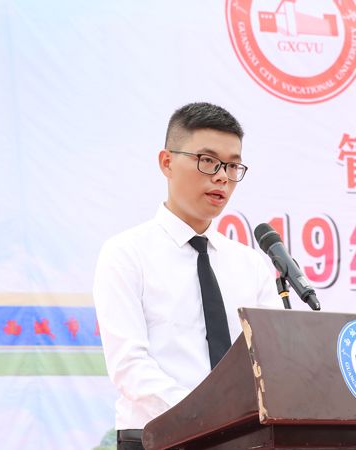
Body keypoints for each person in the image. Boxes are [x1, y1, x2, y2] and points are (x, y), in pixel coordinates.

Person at [93, 102, 282, 450]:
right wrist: (204, 415)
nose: (222, 177)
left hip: (242, 440)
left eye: (233, 165)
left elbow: (270, 363)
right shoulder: (126, 253)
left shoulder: (251, 265)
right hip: (157, 438)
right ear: (167, 162)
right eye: (207, 161)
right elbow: (129, 365)